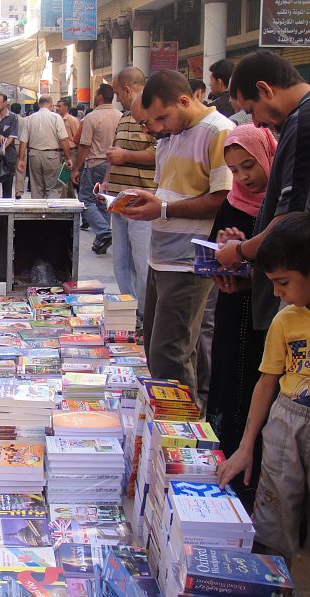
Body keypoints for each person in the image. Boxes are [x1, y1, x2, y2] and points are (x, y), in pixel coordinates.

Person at [216, 213, 310, 597]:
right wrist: (246, 446)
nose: (279, 293)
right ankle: (275, 591)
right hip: (284, 428)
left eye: (283, 283)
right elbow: (266, 381)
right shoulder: (286, 319)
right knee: (273, 524)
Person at [120, 69, 234, 405]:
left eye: (161, 118)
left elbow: (222, 199)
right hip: (162, 256)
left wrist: (163, 209)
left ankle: (180, 435)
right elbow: (168, 192)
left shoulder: (219, 132)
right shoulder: (171, 137)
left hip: (189, 261)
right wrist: (144, 202)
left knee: (170, 353)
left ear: (185, 100)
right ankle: (186, 415)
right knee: (162, 347)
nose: (155, 128)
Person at [215, 51, 310, 336]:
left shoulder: (308, 123)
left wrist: (239, 252)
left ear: (265, 90)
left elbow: (296, 225)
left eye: (251, 110)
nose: (255, 123)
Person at [207, 124, 277, 509]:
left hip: (267, 311)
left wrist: (246, 252)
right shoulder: (233, 201)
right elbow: (215, 247)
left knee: (256, 383)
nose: (244, 177)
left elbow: (283, 257)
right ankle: (225, 457)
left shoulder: (280, 205)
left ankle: (252, 472)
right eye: (234, 170)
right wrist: (223, 250)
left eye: (249, 165)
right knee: (227, 376)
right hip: (234, 308)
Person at [104, 67, 156, 330]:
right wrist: (107, 178)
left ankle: (146, 315)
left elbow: (157, 152)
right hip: (119, 201)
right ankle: (129, 309)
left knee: (142, 262)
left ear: (127, 89)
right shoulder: (124, 117)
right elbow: (116, 152)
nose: (116, 98)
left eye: (117, 92)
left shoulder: (150, 115)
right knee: (121, 260)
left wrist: (126, 157)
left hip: (142, 204)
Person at [72, 84, 122, 254]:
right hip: (113, 165)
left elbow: (84, 146)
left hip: (94, 164)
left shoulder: (92, 117)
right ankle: (101, 240)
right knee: (104, 202)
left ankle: (103, 231)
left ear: (100, 96)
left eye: (95, 94)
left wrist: (76, 169)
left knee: (86, 200)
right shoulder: (120, 116)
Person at [17, 96, 72, 199]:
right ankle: (50, 212)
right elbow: (64, 139)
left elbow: (23, 141)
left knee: (37, 187)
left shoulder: (30, 118)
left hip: (34, 155)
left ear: (39, 104)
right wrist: (68, 158)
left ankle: (38, 212)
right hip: (52, 156)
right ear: (50, 105)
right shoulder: (56, 117)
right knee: (53, 188)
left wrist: (21, 159)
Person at [56, 98, 80, 197]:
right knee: (66, 180)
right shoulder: (56, 119)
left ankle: (64, 203)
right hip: (59, 152)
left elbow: (77, 138)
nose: (57, 108)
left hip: (70, 152)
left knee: (63, 179)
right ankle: (71, 200)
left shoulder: (72, 120)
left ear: (66, 107)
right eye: (56, 106)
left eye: (59, 106)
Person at [11, 102, 27, 199]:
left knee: (8, 168)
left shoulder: (9, 119)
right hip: (21, 145)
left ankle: (7, 190)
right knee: (20, 169)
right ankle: (19, 192)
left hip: (11, 145)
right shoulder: (24, 121)